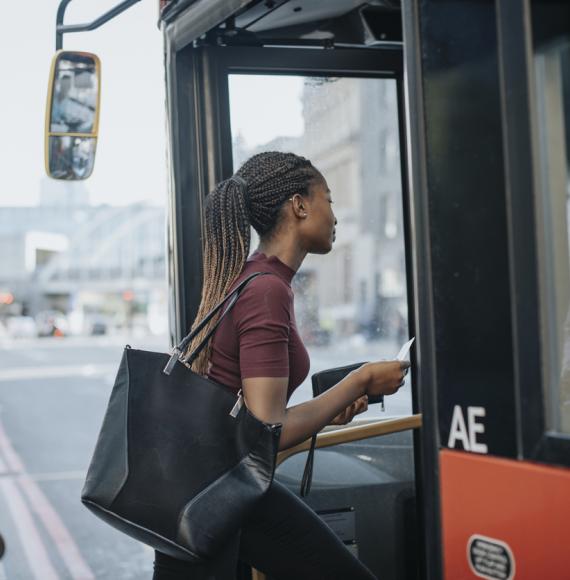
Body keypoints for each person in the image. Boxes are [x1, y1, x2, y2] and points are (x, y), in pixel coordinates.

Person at [152, 152, 409, 580]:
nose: (335, 215)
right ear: (300, 205)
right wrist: (359, 379)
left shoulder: (259, 278)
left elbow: (259, 419)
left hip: (216, 487)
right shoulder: (266, 289)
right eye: (328, 198)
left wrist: (332, 406)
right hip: (223, 491)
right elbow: (267, 427)